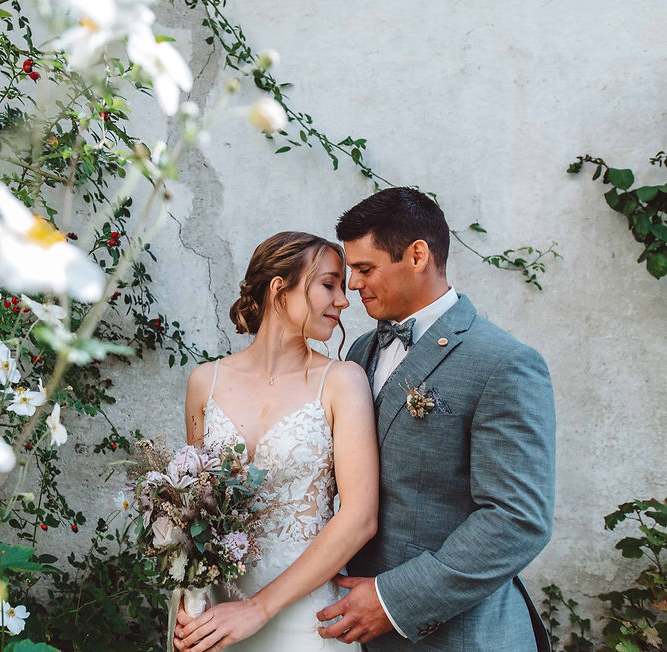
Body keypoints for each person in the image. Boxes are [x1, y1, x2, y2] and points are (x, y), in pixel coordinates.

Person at [317, 187, 556, 650]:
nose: (351, 285)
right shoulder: (361, 352)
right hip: (356, 630)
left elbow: (516, 519)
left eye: (365, 269)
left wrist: (392, 600)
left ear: (417, 255)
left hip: (460, 634)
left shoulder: (503, 362)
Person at [174, 231, 379, 651]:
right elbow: (194, 510)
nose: (343, 300)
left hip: (305, 618)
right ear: (278, 289)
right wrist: (187, 605)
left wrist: (258, 609)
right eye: (329, 284)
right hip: (215, 612)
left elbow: (360, 517)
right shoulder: (204, 382)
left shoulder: (342, 382)